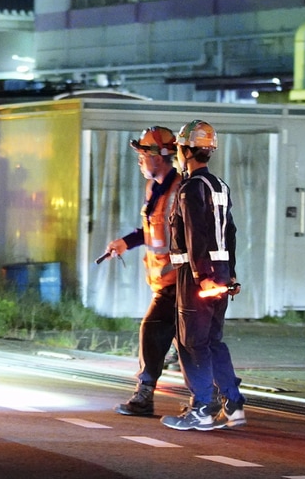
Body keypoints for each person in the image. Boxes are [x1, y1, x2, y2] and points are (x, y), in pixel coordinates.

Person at [161, 119, 246, 431]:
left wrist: (201, 275)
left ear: (185, 150)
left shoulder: (190, 188)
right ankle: (233, 404)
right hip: (221, 276)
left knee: (191, 343)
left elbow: (196, 233)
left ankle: (202, 408)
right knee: (212, 341)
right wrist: (229, 275)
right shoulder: (220, 186)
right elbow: (230, 233)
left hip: (196, 278)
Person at [103, 126, 183, 416]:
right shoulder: (155, 189)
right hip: (165, 282)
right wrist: (126, 242)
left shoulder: (179, 191)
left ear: (158, 157)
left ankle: (144, 395)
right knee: (187, 346)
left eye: (141, 155)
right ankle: (217, 399)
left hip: (179, 282)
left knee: (152, 330)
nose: (138, 160)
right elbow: (153, 230)